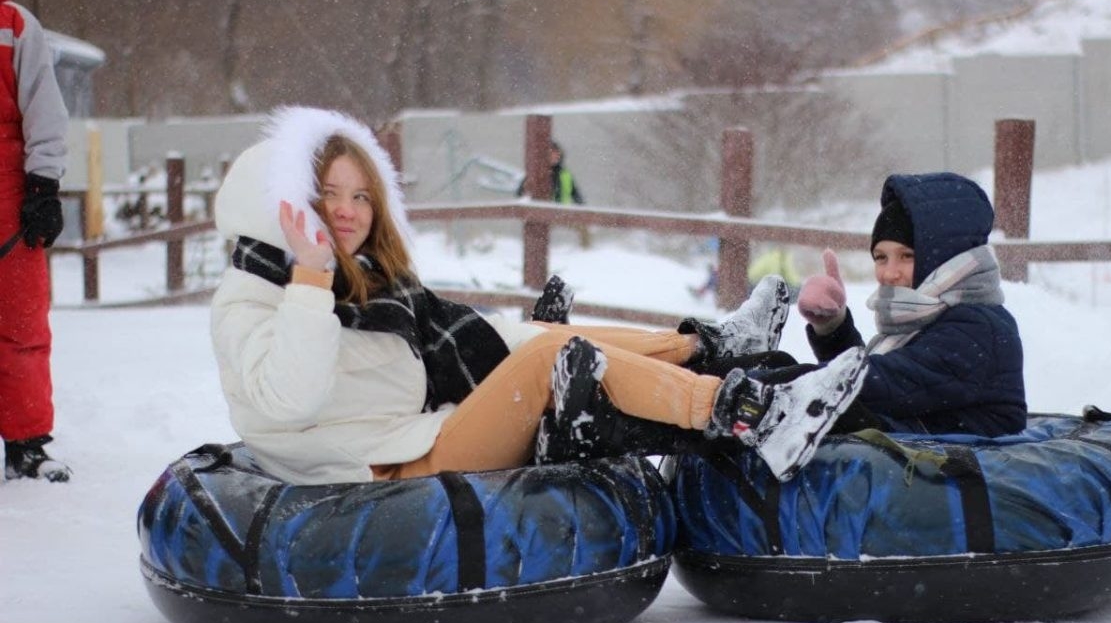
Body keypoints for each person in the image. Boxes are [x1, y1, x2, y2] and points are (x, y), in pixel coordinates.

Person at [210, 107, 869, 486]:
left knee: (544, 341)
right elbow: (289, 396)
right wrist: (310, 278)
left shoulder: (351, 286)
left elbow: (416, 367)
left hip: (420, 432)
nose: (350, 211)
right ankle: (754, 413)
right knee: (543, 358)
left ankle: (714, 347)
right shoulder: (258, 301)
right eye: (331, 194)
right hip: (393, 468)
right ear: (285, 201)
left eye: (362, 195)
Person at [793, 172, 1026, 436]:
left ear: (946, 258)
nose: (890, 273)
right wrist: (832, 328)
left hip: (953, 468)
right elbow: (882, 381)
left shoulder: (978, 328)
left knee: (831, 413)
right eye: (881, 258)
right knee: (785, 375)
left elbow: (885, 386)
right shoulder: (926, 315)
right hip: (916, 456)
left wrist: (787, 385)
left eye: (907, 256)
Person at [0, 0, 70, 482]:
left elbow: (45, 109)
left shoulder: (15, 26)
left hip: (11, 196)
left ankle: (26, 445)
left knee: (21, 324)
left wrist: (43, 185)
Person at [515, 140, 583, 205]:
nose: (554, 156)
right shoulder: (537, 173)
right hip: (544, 213)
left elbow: (577, 197)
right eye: (551, 153)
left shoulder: (565, 174)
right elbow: (520, 194)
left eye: (556, 153)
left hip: (563, 213)